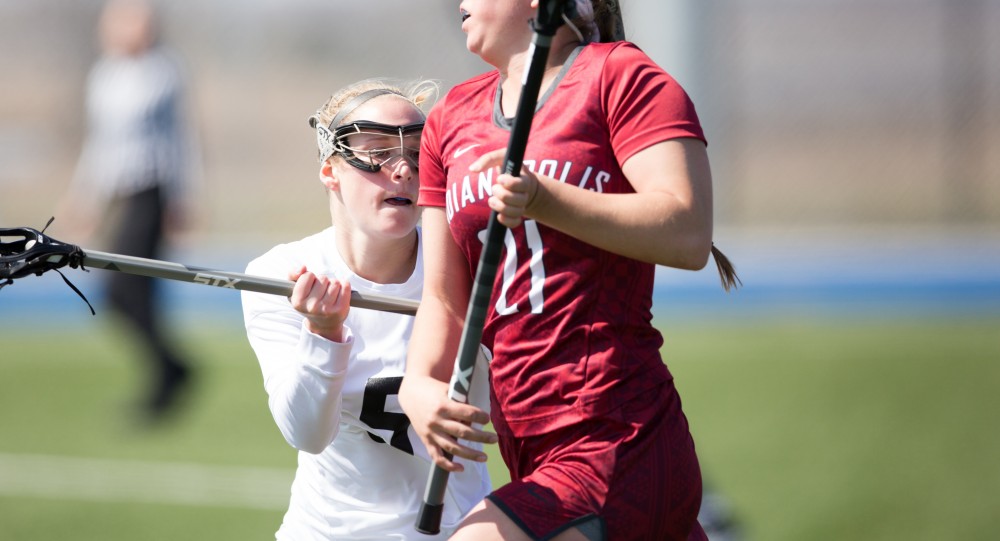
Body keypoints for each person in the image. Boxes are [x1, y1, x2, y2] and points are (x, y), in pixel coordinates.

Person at [398, 1, 739, 540]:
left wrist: (545, 198)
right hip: (528, 448)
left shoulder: (620, 74)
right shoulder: (450, 119)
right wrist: (418, 385)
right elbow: (444, 298)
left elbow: (688, 231)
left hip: (619, 435)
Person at [240, 78, 492, 541]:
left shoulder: (476, 268)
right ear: (330, 170)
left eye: (418, 155)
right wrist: (323, 335)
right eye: (376, 152)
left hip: (460, 529)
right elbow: (307, 433)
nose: (402, 170)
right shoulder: (278, 274)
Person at [60, 0, 201, 420]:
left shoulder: (164, 71)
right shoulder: (104, 75)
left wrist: (185, 196)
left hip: (152, 192)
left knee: (125, 288)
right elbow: (100, 145)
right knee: (126, 294)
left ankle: (170, 373)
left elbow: (181, 139)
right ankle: (170, 370)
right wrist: (83, 200)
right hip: (118, 194)